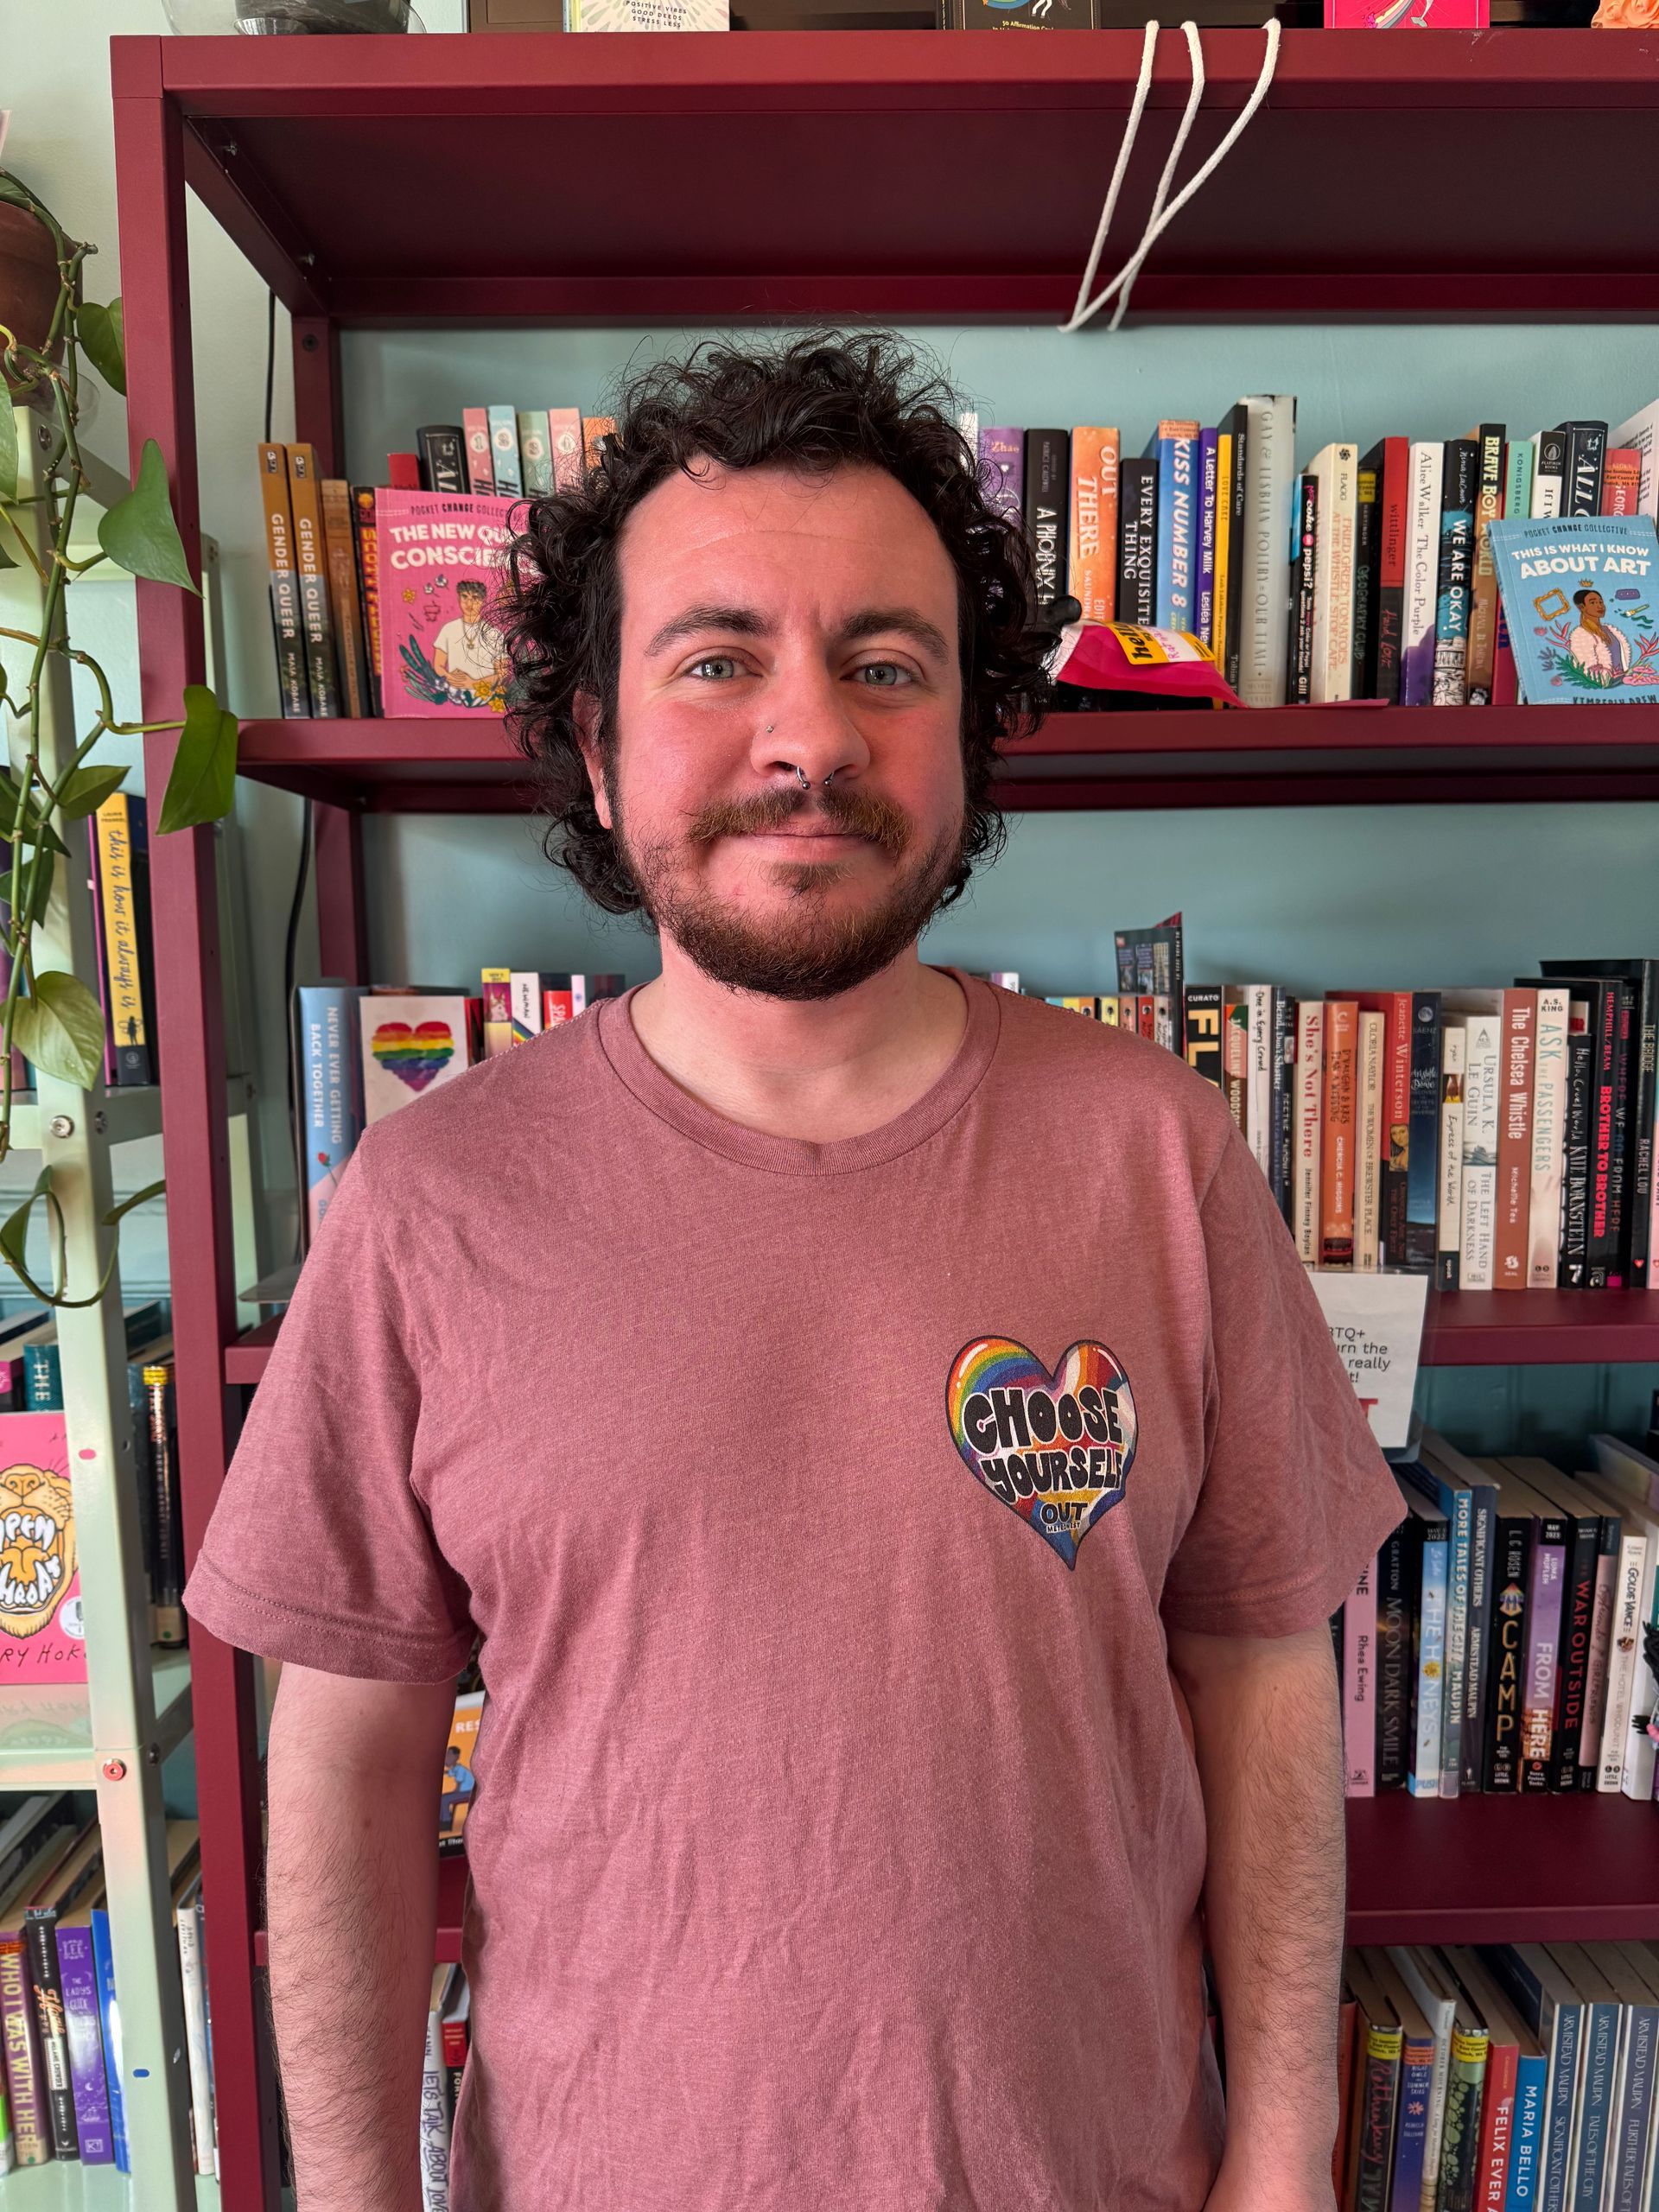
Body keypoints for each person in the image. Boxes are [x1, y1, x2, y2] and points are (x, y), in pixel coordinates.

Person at [183, 334, 1403, 2212]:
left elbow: (1258, 1671)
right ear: (594, 739)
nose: (811, 734)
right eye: (718, 656)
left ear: (969, 734)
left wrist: (1284, 2153)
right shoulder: (429, 1203)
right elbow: (336, 1763)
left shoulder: (1161, 1150)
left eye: (886, 663)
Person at [431, 576, 508, 700]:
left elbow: (502, 673)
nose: (469, 603)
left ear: (483, 601)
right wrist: (448, 676)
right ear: (459, 598)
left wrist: (471, 683)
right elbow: (438, 665)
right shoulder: (448, 629)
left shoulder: (495, 634)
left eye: (475, 598)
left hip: (486, 697)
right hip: (455, 695)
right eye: (464, 597)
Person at [1567, 584, 1632, 683]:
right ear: (1582, 607)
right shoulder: (1581, 635)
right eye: (1593, 602)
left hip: (1622, 680)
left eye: (1601, 602)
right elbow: (1585, 667)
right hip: (1604, 684)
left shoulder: (1609, 630)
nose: (1599, 606)